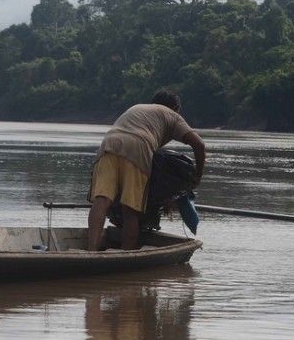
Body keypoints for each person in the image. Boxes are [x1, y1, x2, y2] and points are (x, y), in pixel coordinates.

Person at [87, 90, 206, 251]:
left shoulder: (138, 108)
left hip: (108, 144)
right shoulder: (172, 115)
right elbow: (199, 145)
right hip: (137, 148)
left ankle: (91, 250)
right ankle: (126, 254)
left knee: (102, 201)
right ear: (175, 108)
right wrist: (198, 176)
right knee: (130, 210)